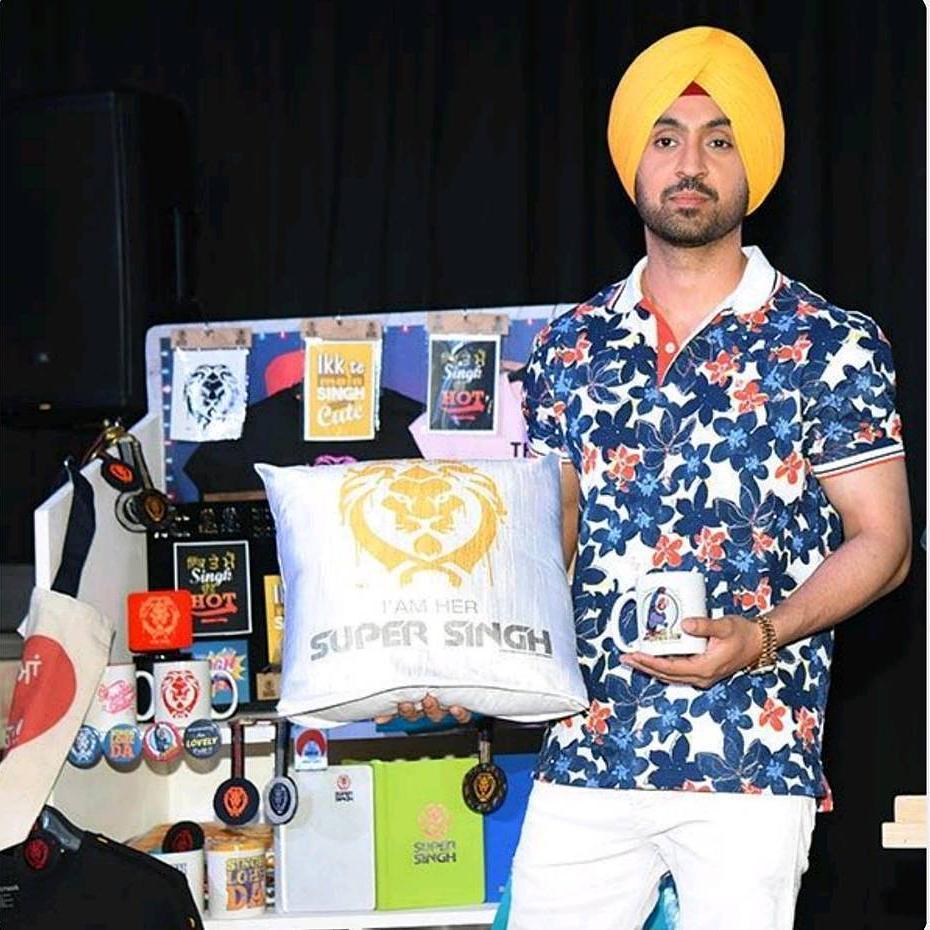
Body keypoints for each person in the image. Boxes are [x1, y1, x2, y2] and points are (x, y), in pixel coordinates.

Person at [503, 25, 911, 930]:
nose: (691, 163)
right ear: (633, 165)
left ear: (751, 165)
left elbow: (885, 546)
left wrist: (762, 636)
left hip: (750, 757)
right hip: (586, 750)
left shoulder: (830, 343)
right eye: (667, 138)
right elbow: (546, 536)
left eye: (719, 140)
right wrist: (469, 652)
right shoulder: (568, 347)